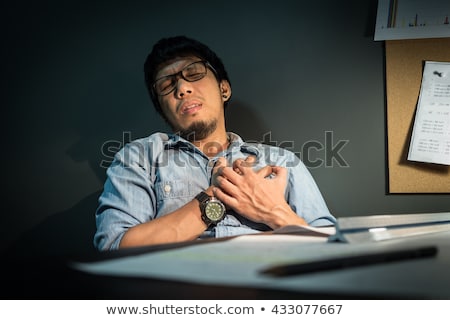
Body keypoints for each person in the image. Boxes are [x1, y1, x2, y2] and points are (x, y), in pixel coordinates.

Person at [93, 35, 335, 250]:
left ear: (224, 89)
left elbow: (332, 248)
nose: (182, 88)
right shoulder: (138, 157)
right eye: (167, 85)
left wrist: (273, 211)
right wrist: (217, 196)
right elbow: (114, 247)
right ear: (162, 111)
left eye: (194, 73)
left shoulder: (282, 162)